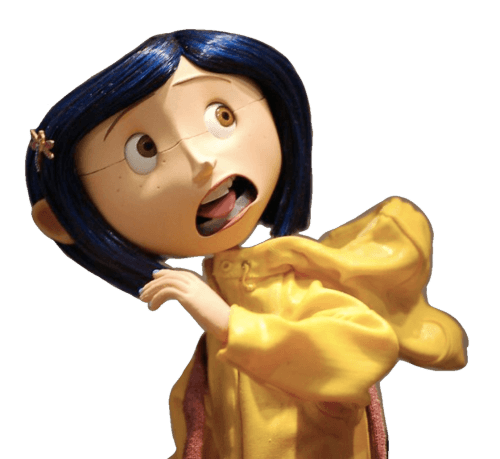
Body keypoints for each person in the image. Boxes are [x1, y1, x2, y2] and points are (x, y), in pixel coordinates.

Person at [25, 29, 467, 459]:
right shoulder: (220, 317)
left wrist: (226, 322)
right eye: (144, 150)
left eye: (221, 116)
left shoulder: (286, 286)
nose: (200, 161)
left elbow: (364, 348)